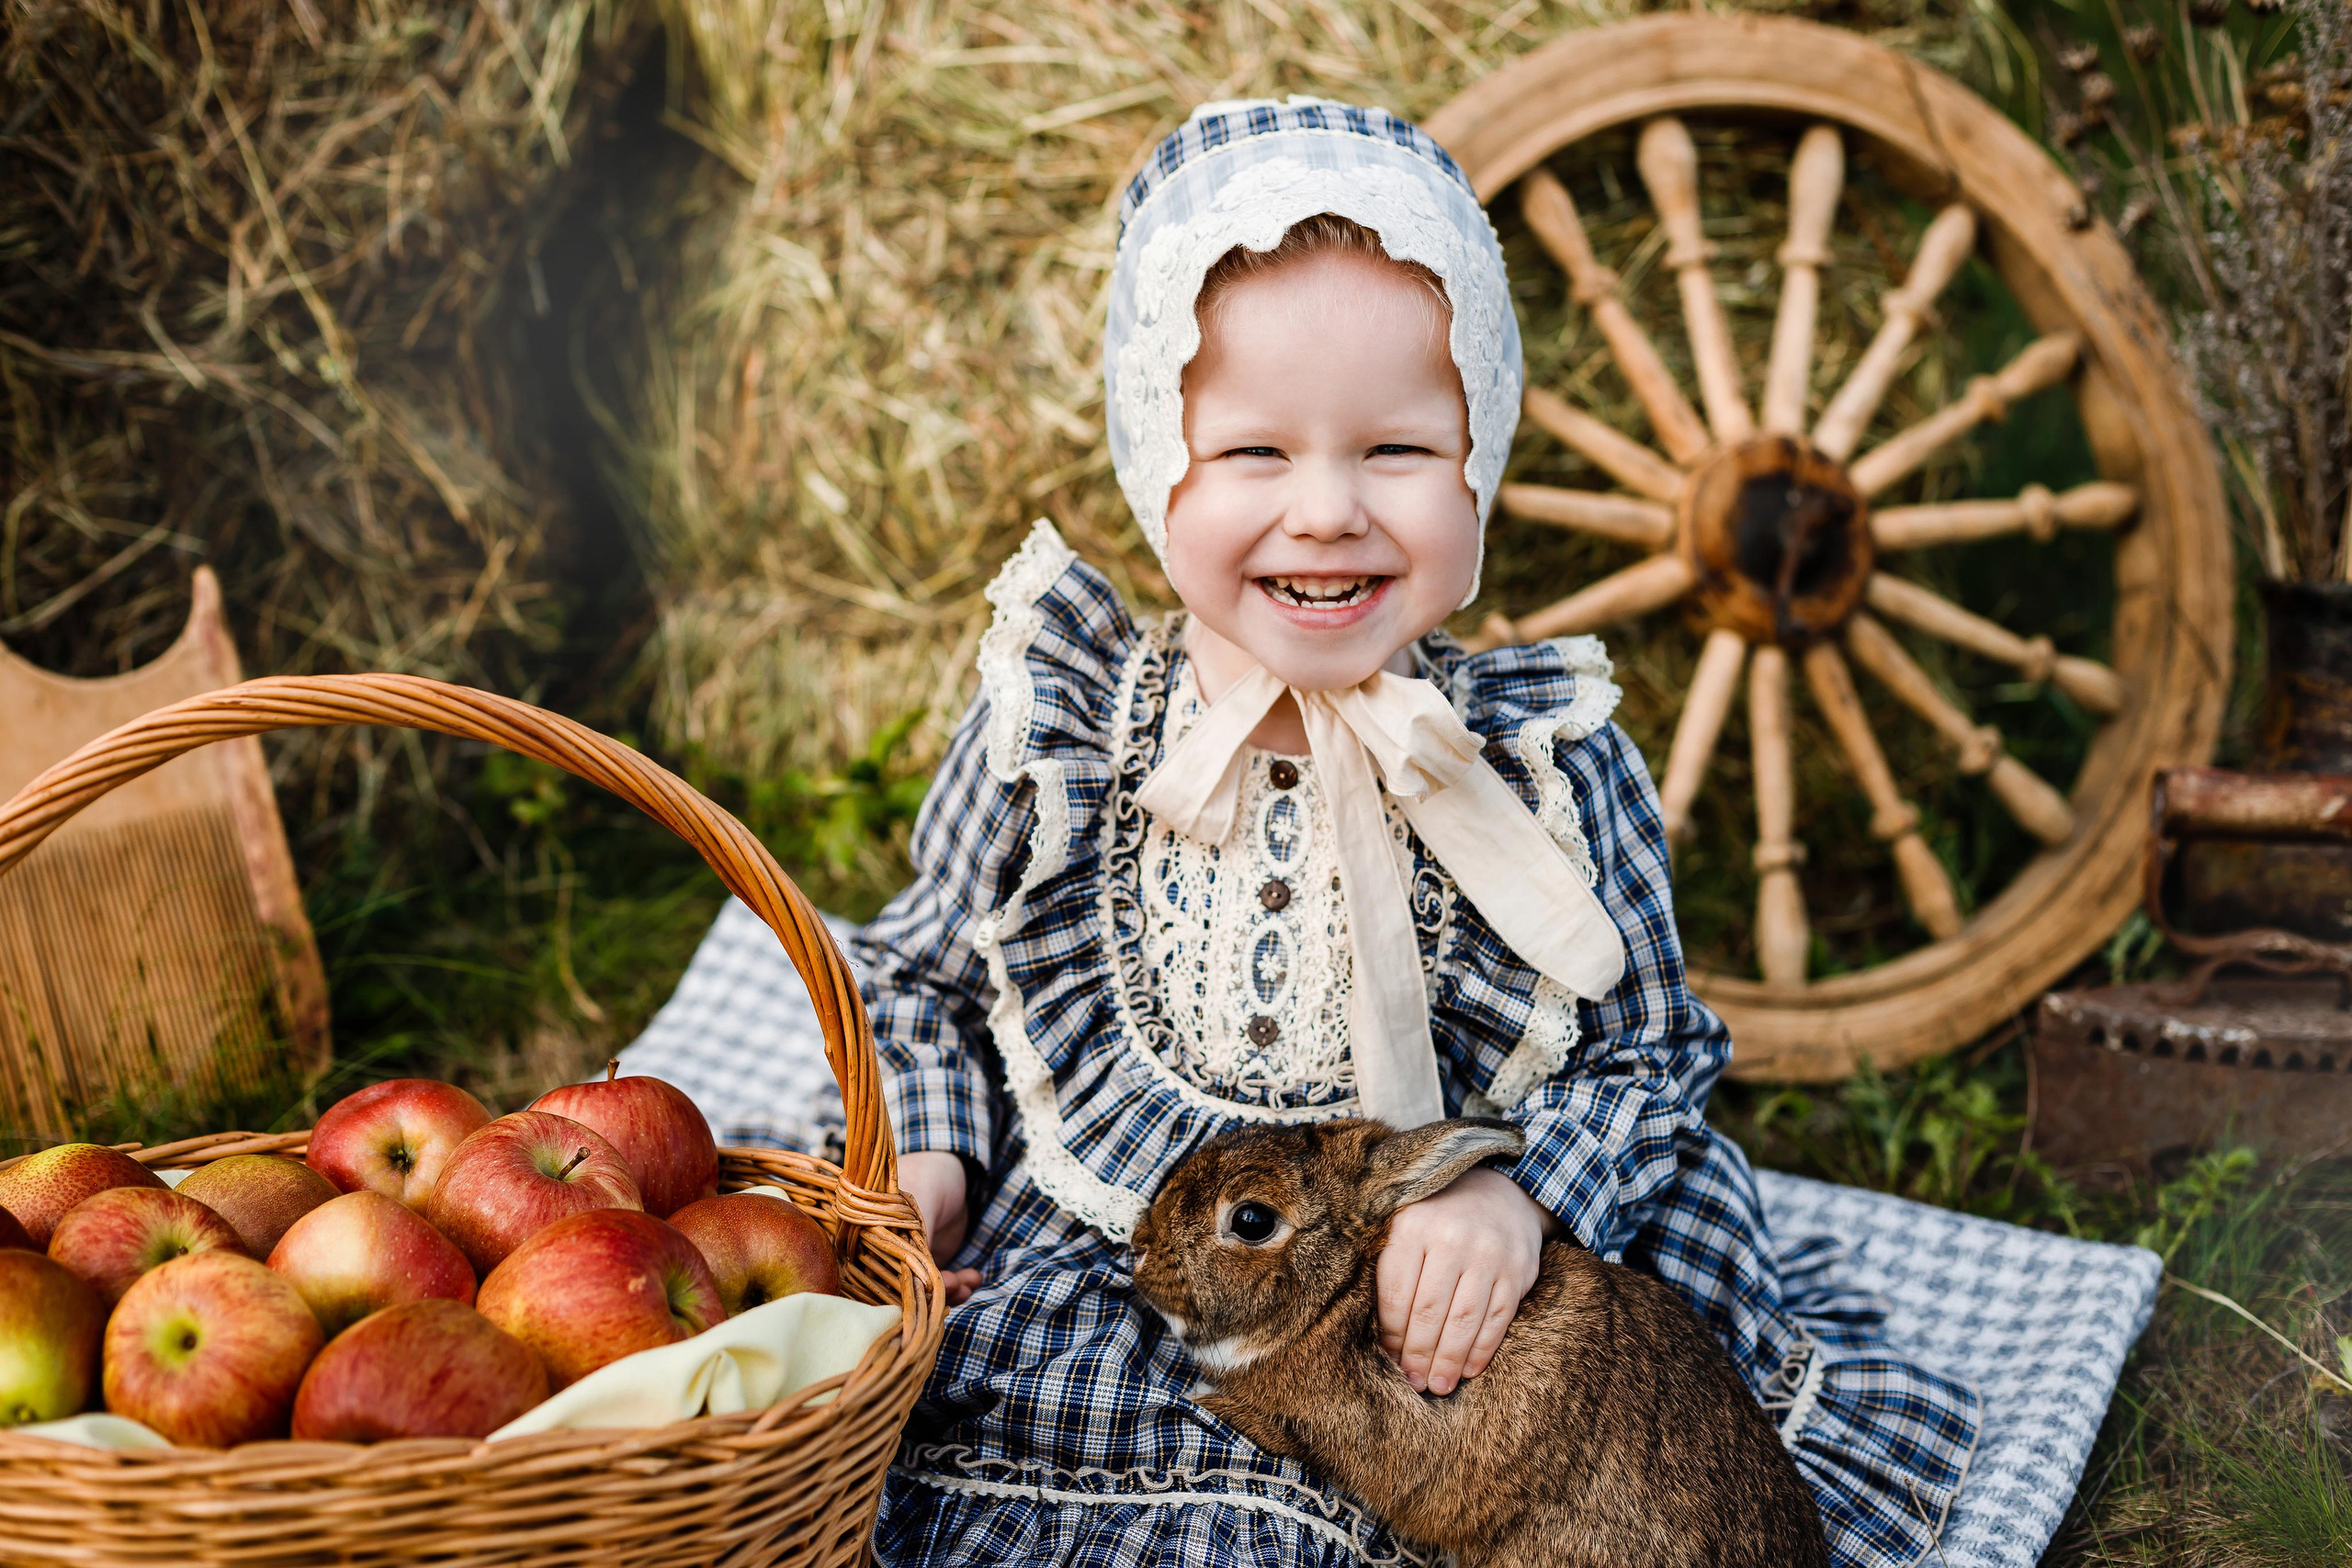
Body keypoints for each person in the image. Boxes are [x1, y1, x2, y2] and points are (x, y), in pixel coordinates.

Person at [858, 97, 1977, 1568]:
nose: (1326, 513)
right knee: (1066, 1448)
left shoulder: (1541, 758)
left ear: (1477, 457)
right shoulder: (1057, 733)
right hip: (1154, 1262)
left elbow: (1650, 1051)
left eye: (1396, 450)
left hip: (1457, 1306)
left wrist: (1521, 1200)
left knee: (1625, 1461)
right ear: (1155, 456)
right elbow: (927, 982)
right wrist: (927, 1166)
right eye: (1253, 452)